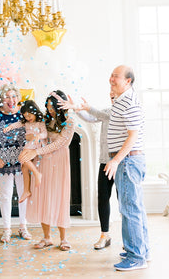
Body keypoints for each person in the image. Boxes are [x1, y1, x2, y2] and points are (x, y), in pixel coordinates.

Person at [55, 92, 115, 250]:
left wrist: (84, 107)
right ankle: (105, 235)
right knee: (102, 197)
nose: (112, 95)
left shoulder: (121, 112)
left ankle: (130, 241)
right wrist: (77, 109)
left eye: (115, 92)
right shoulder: (107, 111)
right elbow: (92, 118)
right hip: (105, 161)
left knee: (124, 201)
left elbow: (97, 114)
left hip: (120, 163)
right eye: (111, 94)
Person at [104, 65, 150, 271]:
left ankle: (135, 256)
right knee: (135, 208)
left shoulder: (129, 102)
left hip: (127, 161)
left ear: (128, 81)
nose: (111, 79)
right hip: (129, 161)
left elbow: (132, 137)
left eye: (116, 76)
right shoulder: (122, 100)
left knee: (129, 209)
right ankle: (142, 250)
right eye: (112, 75)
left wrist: (115, 160)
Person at [19, 90, 74, 251]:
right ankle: (47, 237)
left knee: (59, 196)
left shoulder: (70, 122)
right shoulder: (45, 120)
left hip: (59, 160)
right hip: (43, 161)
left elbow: (60, 144)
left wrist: (36, 152)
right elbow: (34, 132)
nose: (50, 110)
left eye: (52, 106)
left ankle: (63, 238)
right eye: (48, 106)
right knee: (43, 196)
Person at [0, 84, 32, 243]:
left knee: (24, 194)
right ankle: (6, 229)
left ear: (18, 98)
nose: (11, 100)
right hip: (3, 162)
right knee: (5, 197)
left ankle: (23, 227)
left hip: (23, 161)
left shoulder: (24, 115)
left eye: (13, 96)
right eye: (7, 96)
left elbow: (34, 134)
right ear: (1, 99)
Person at [3, 100, 47, 203]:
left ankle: (36, 174)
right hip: (29, 144)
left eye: (30, 115)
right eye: (26, 116)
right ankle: (26, 190)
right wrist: (9, 127)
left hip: (35, 144)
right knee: (23, 167)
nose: (28, 118)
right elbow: (17, 124)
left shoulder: (40, 122)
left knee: (21, 157)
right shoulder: (26, 122)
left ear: (35, 111)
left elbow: (45, 133)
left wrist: (39, 136)